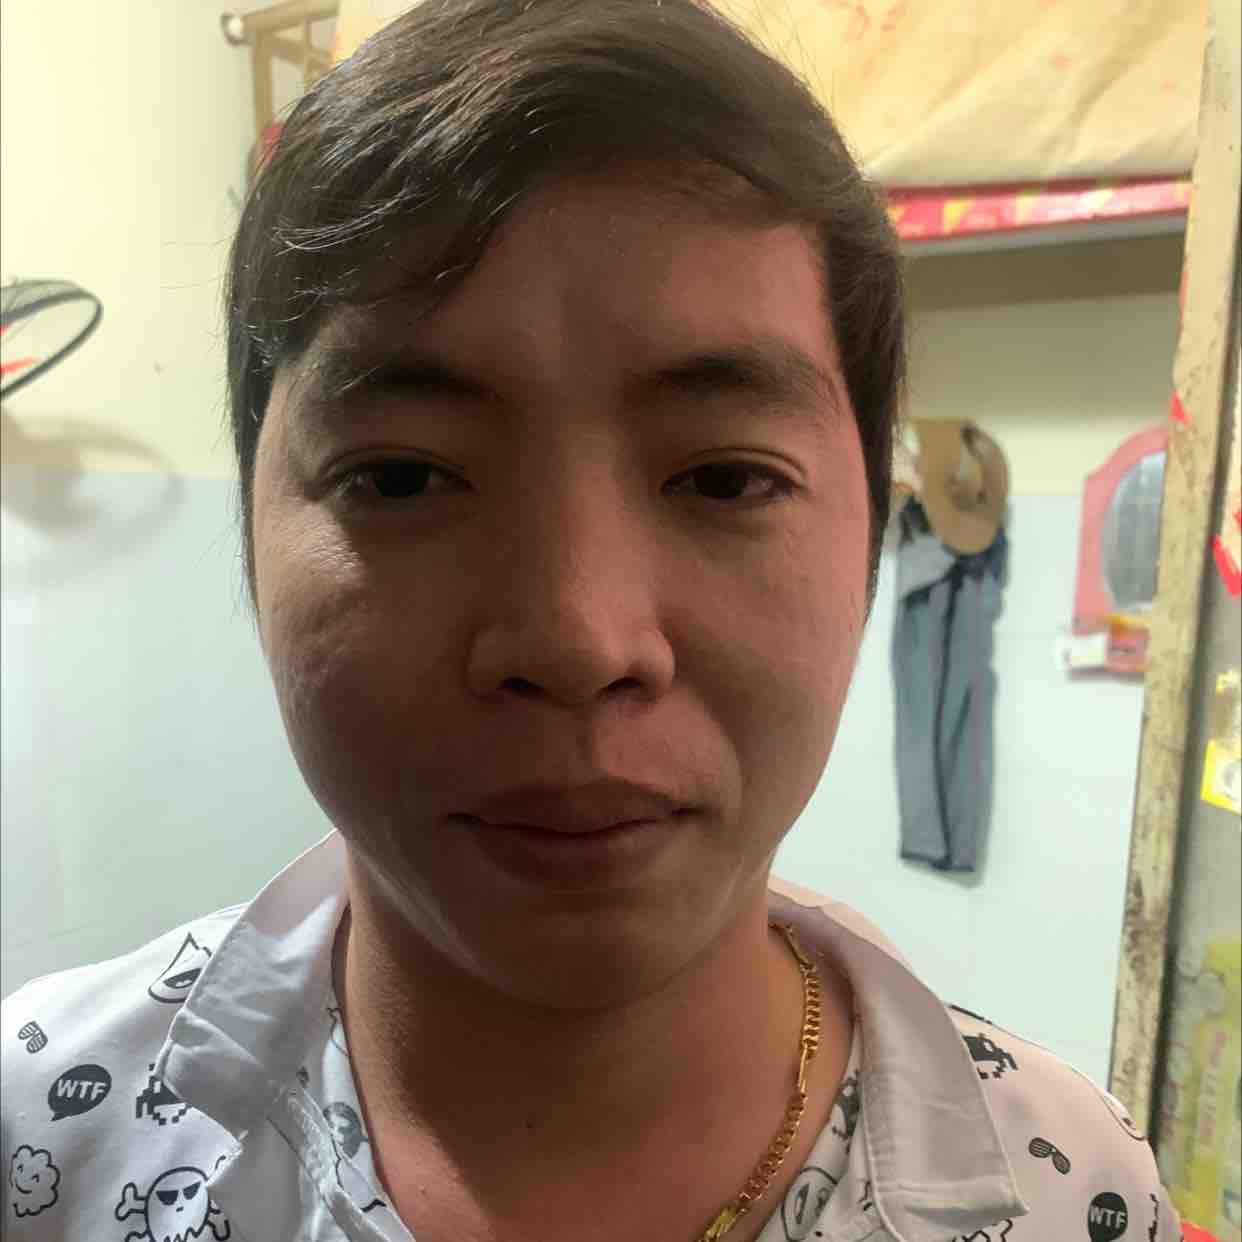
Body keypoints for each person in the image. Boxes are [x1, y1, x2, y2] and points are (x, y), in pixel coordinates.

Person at [1, 1, 1180, 1239]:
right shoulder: (44, 1134)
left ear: (872, 531)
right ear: (251, 528)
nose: (579, 641)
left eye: (725, 479)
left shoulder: (1075, 1193)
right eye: (400, 476)